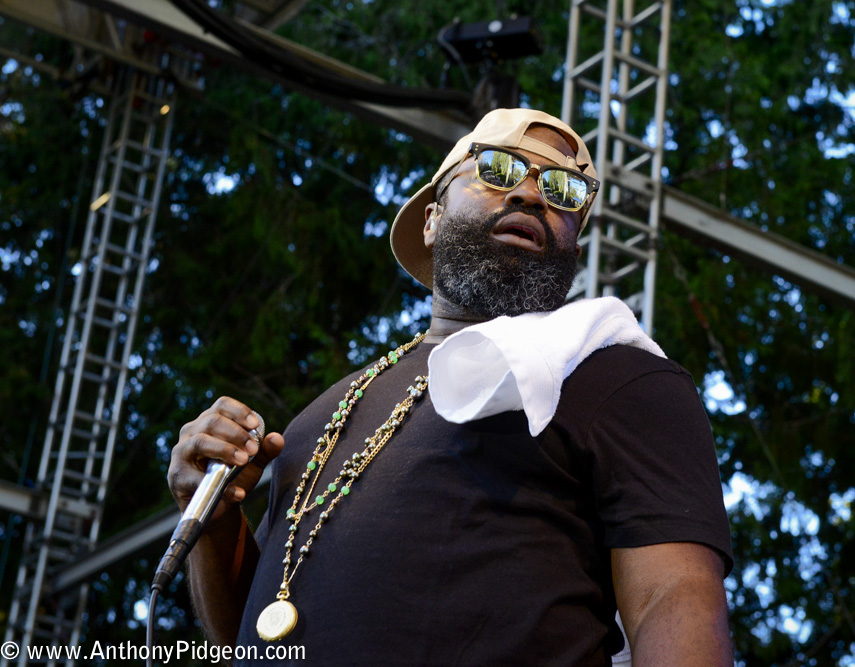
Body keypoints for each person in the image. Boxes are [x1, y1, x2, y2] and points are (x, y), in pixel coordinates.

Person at [168, 108, 734, 666]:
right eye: (499, 170)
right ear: (432, 219)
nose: (532, 195)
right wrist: (215, 520)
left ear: (575, 245)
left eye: (563, 190)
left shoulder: (614, 376)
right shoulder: (318, 418)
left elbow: (672, 599)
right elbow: (249, 636)